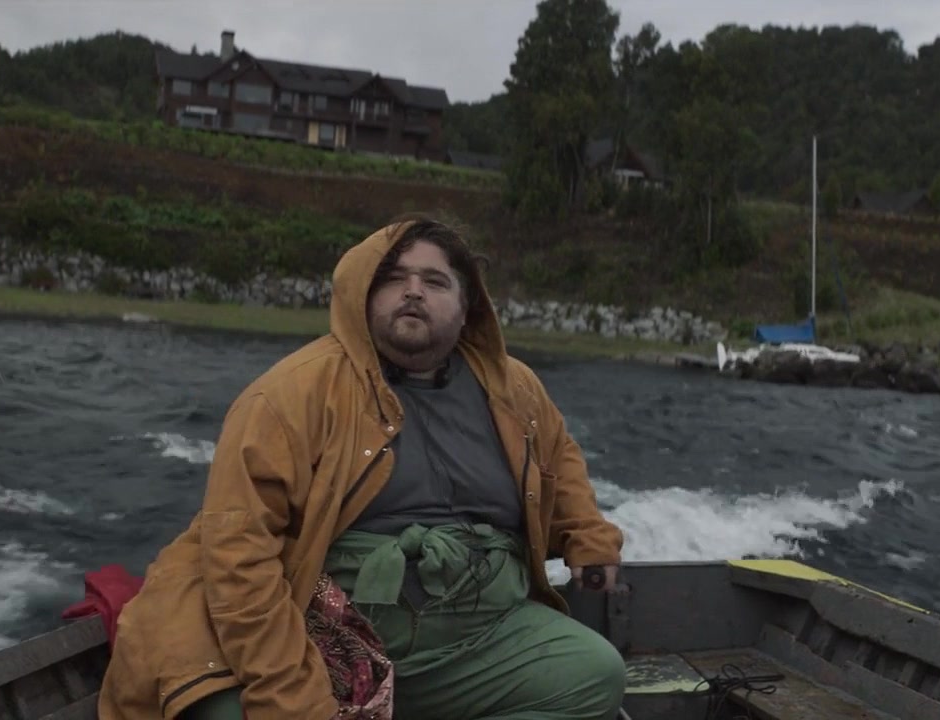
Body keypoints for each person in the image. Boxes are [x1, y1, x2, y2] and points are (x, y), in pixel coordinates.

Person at [96, 215, 627, 720]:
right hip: (320, 633)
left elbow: (559, 461)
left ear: (468, 308)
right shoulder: (290, 394)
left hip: (476, 633)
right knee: (228, 710)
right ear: (363, 296)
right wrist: (290, 692)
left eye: (435, 281)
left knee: (594, 676)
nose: (413, 291)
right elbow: (240, 553)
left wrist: (587, 538)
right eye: (394, 278)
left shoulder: (514, 389)